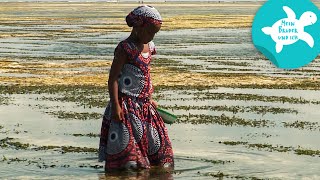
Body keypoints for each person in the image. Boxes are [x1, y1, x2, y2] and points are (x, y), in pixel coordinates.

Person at [98, 5, 174, 171]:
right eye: (150, 32)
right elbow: (113, 79)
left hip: (145, 107)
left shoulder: (150, 47)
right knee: (130, 153)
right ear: (138, 27)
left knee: (159, 150)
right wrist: (116, 105)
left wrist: (150, 98)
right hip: (126, 107)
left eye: (155, 33)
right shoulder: (125, 48)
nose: (152, 36)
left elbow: (145, 74)